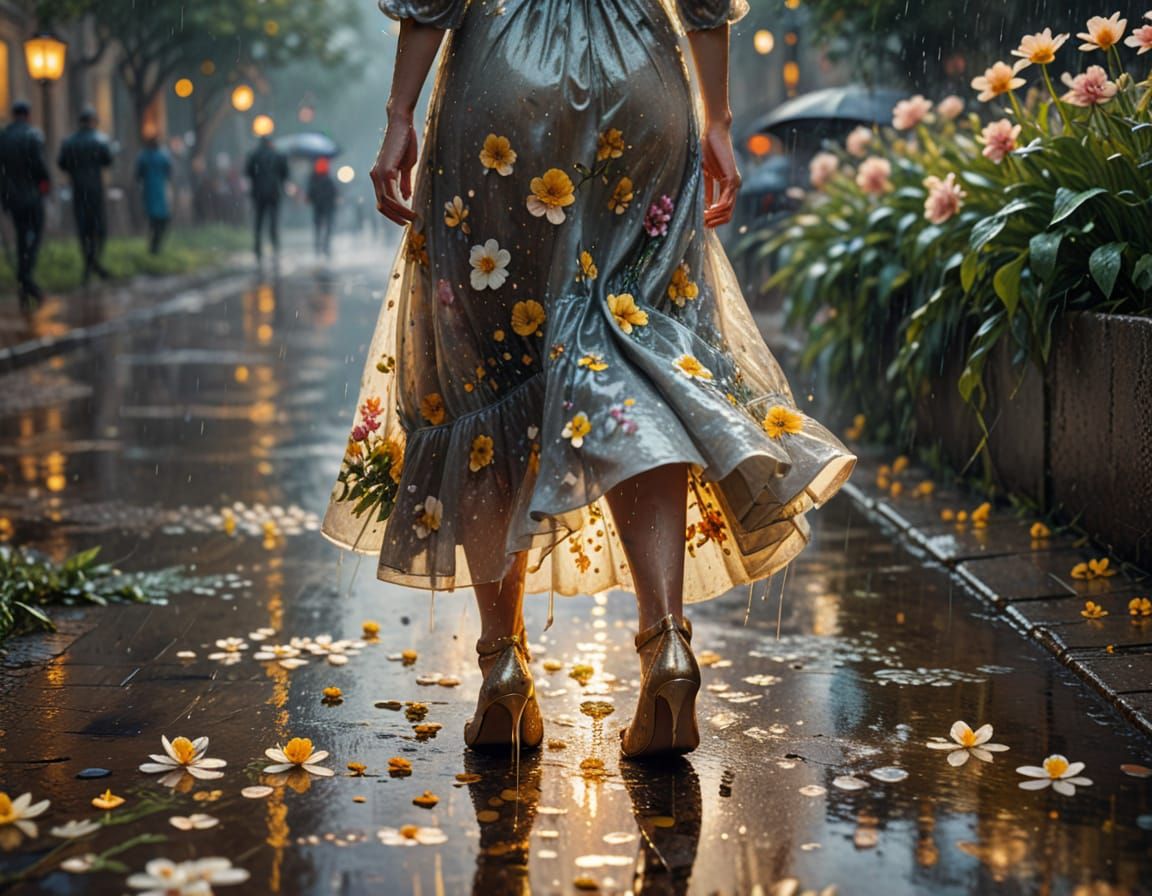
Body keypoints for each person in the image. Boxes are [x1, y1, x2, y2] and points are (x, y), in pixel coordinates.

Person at [321, 0, 856, 760]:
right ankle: (665, 640)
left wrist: (400, 113)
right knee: (639, 348)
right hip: (642, 83)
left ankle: (502, 665)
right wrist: (717, 122)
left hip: (500, 86)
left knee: (488, 373)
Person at [0, 100, 50, 312]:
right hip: (31, 196)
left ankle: (24, 282)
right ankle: (26, 278)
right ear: (28, 115)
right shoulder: (32, 135)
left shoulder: (4, 137)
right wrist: (45, 185)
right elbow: (39, 166)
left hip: (13, 198)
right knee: (35, 238)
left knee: (22, 238)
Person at [58, 105, 114, 284]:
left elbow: (62, 164)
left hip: (78, 191)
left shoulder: (69, 142)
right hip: (95, 191)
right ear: (92, 121)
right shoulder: (100, 140)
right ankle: (94, 263)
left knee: (83, 230)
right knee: (99, 229)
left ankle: (89, 265)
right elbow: (108, 160)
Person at [244, 136, 289, 261]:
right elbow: (285, 174)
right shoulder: (278, 156)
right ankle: (275, 247)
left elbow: (248, 173)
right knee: (273, 221)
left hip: (258, 193)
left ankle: (258, 248)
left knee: (258, 221)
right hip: (274, 193)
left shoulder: (254, 156)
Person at [135, 135, 172, 254]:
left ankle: (154, 246)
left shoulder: (143, 156)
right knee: (161, 219)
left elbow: (138, 174)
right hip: (160, 190)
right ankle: (155, 246)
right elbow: (169, 171)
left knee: (154, 219)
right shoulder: (163, 156)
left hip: (149, 190)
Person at [306, 157, 339, 257]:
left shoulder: (313, 179)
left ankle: (318, 245)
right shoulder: (328, 179)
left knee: (318, 226)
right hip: (327, 205)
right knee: (327, 225)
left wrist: (310, 198)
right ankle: (325, 245)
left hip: (318, 205)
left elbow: (310, 194)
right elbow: (334, 192)